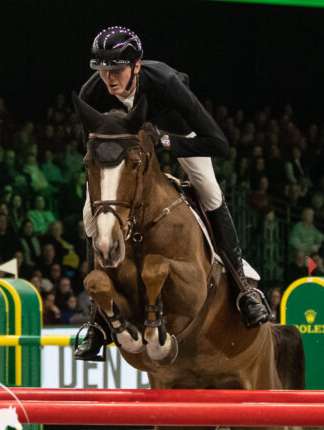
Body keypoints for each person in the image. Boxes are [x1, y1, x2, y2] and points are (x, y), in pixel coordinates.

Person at [74, 26, 269, 360]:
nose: (109, 78)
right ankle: (99, 322)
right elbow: (95, 152)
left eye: (117, 70)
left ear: (136, 66)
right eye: (103, 70)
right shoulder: (92, 93)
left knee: (209, 193)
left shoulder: (165, 83)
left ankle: (243, 291)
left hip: (180, 137)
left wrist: (164, 141)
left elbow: (218, 142)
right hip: (129, 152)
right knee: (92, 214)